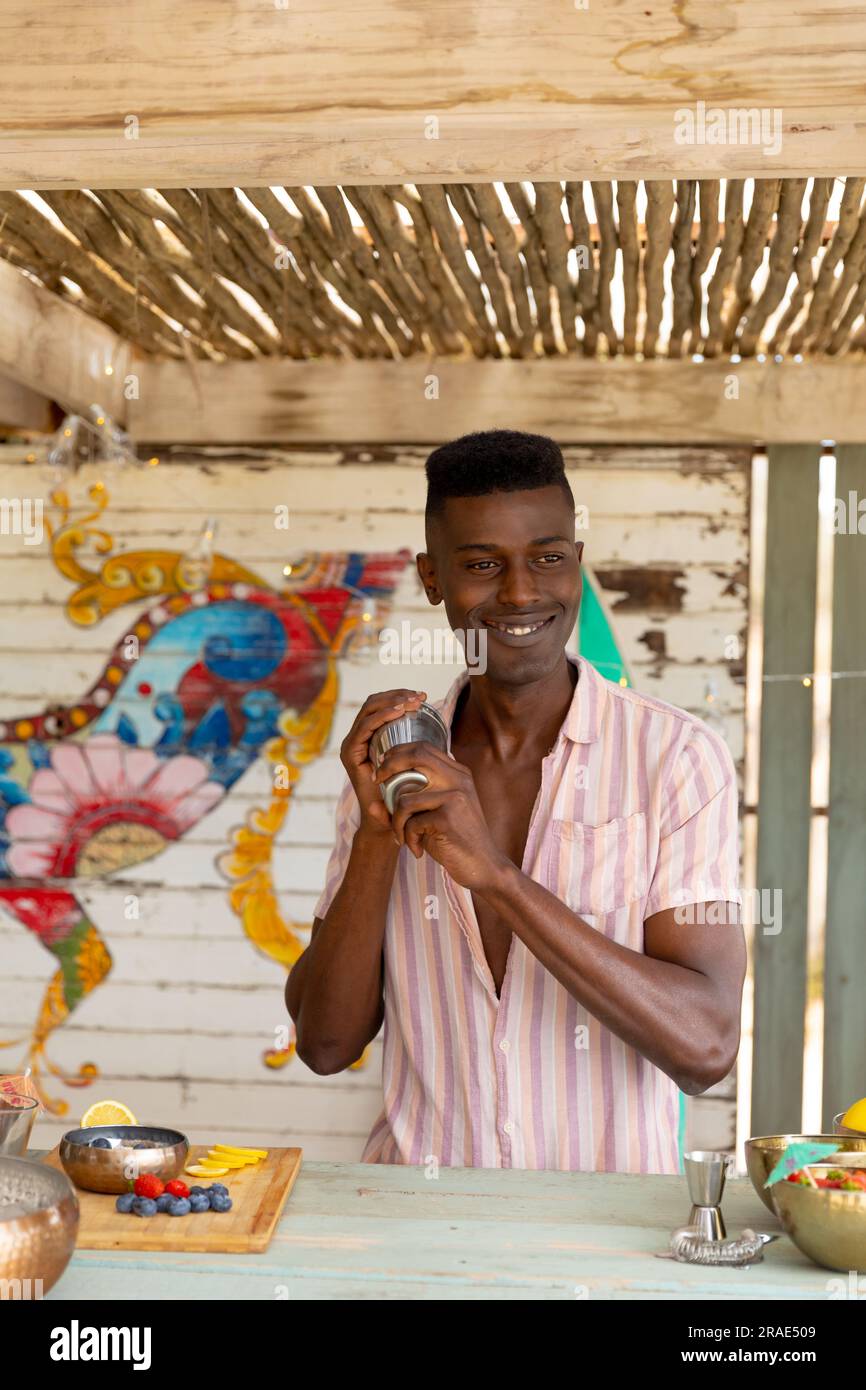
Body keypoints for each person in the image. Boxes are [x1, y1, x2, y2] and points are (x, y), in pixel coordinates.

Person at [286, 429, 745, 1172]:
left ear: (577, 565)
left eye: (548, 557)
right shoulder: (394, 766)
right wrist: (375, 834)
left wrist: (497, 875)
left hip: (610, 1249)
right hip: (418, 1239)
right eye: (481, 565)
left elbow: (705, 1046)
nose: (522, 592)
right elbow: (326, 1045)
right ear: (433, 578)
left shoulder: (677, 761)